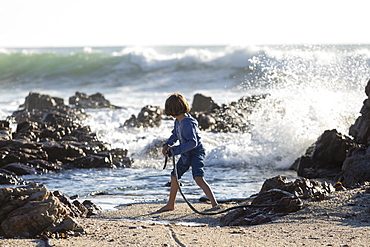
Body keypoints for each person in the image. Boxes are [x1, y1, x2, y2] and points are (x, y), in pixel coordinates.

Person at [157, 93, 218, 213]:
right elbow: (175, 134)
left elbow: (193, 143)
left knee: (198, 178)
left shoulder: (187, 122)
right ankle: (170, 204)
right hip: (186, 153)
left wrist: (175, 150)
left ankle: (214, 204)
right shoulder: (178, 121)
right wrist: (167, 145)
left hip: (196, 152)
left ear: (173, 109)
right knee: (174, 176)